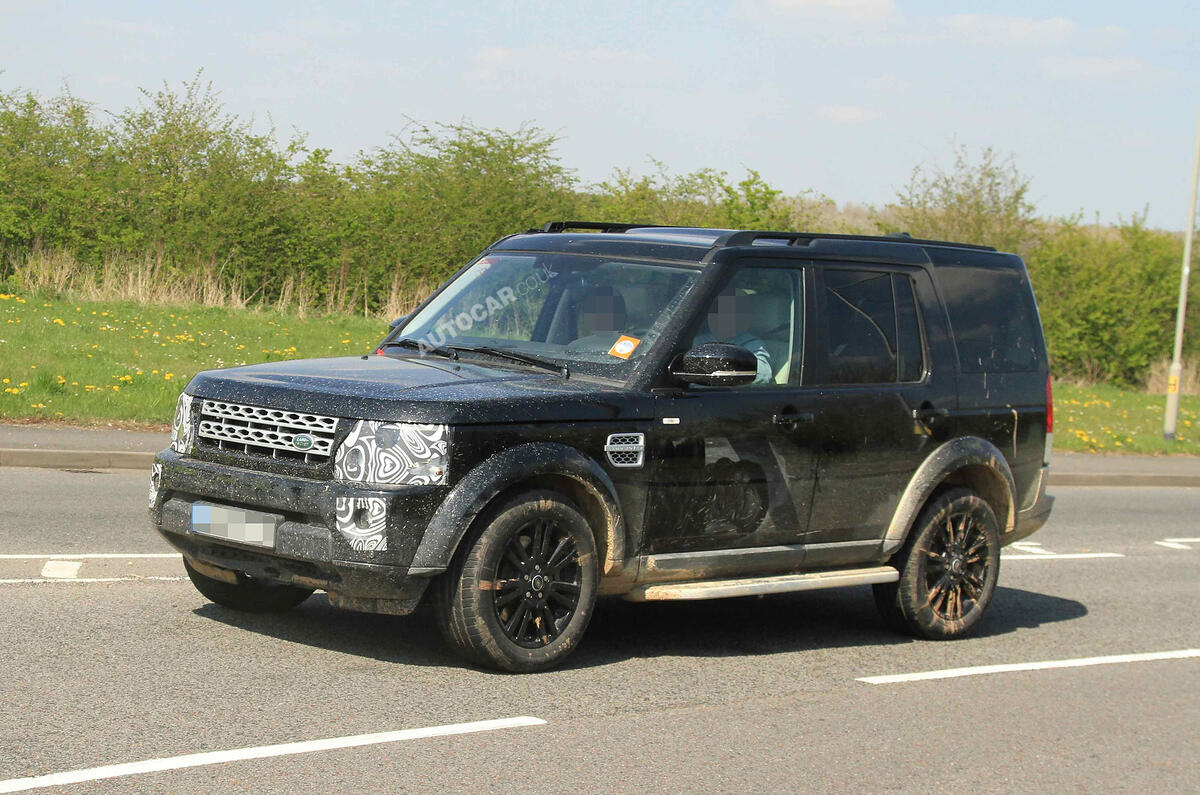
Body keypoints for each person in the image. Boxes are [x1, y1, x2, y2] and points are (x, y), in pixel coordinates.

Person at [695, 286, 773, 384]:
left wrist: (724, 368)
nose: (720, 316)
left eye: (727, 311)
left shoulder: (752, 344)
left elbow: (763, 375)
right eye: (716, 310)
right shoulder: (698, 341)